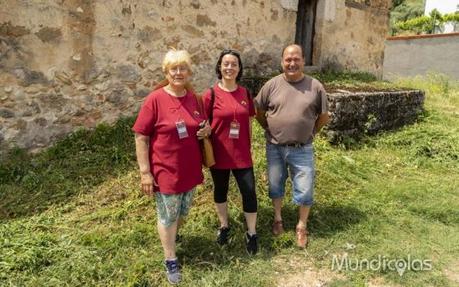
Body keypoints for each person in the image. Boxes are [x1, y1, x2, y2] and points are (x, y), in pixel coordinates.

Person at [132, 49, 211, 284]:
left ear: (189, 72)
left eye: (183, 68)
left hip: (190, 168)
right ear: (166, 72)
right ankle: (170, 258)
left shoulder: (194, 98)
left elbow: (202, 125)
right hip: (165, 169)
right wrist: (145, 173)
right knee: (167, 215)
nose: (178, 73)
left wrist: (206, 131)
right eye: (173, 69)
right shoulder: (155, 99)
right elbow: (141, 136)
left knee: (183, 212)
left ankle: (172, 238)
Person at [254, 44, 330, 248]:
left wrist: (312, 132)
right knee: (275, 185)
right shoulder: (271, 85)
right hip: (275, 147)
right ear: (282, 62)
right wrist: (268, 128)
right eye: (288, 59)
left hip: (302, 148)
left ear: (303, 61)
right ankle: (278, 219)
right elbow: (259, 111)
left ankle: (301, 226)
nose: (292, 63)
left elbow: (323, 116)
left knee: (305, 189)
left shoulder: (315, 86)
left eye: (296, 59)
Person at [202, 49, 258, 254]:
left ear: (239, 68)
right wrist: (205, 129)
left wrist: (249, 145)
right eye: (226, 64)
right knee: (220, 190)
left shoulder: (245, 93)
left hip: (242, 154)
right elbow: (202, 122)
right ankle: (224, 226)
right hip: (219, 153)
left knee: (249, 192)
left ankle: (251, 232)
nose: (229, 67)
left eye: (234, 64)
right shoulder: (210, 94)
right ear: (219, 67)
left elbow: (249, 121)